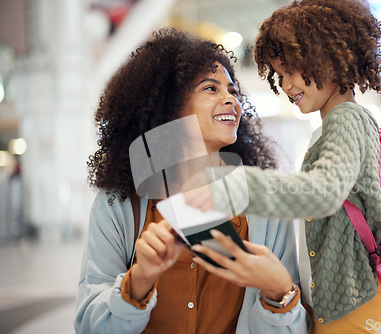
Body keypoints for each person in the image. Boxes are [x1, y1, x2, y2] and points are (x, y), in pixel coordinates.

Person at [75, 28, 308, 334]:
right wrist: (139, 280)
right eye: (211, 89)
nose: (231, 101)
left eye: (232, 91)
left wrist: (280, 293)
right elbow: (89, 326)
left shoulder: (263, 205)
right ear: (170, 107)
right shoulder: (120, 204)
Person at [184, 1, 381, 332]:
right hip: (333, 300)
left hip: (350, 303)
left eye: (292, 70)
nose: (286, 84)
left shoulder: (348, 118)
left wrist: (240, 186)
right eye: (280, 75)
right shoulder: (329, 124)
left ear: (328, 57)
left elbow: (324, 192)